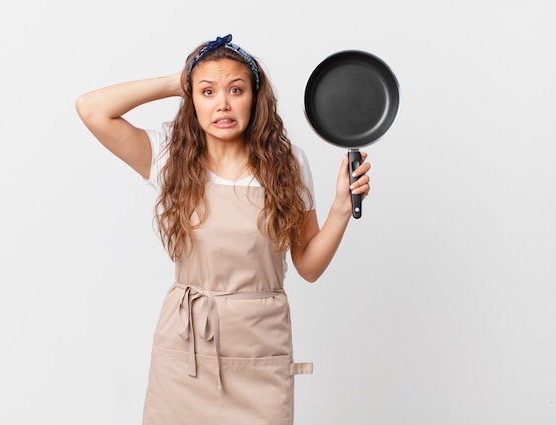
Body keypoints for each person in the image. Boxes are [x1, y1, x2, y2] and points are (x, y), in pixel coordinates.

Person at [75, 34, 370, 425]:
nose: (223, 104)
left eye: (236, 89)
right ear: (190, 98)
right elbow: (92, 109)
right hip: (185, 353)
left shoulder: (288, 164)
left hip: (260, 349)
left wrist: (339, 210)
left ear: (255, 96)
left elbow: (308, 267)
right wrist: (176, 81)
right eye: (207, 92)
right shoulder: (169, 159)